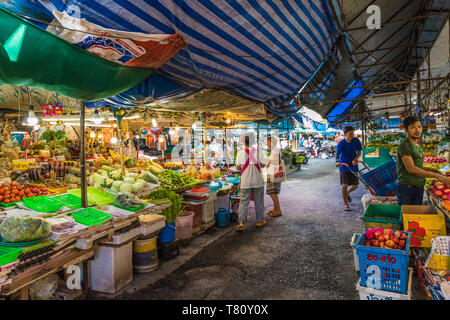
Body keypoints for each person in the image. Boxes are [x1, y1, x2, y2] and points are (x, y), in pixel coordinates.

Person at [397, 116, 450, 205]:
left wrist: (431, 170)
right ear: (406, 130)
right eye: (413, 127)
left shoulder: (416, 145)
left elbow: (417, 167)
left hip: (418, 187)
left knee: (416, 216)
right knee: (408, 216)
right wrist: (437, 176)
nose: (417, 130)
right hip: (408, 189)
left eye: (419, 127)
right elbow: (411, 169)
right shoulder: (405, 145)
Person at [235, 135, 267, 231]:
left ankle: (241, 223)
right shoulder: (259, 152)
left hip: (245, 181)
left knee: (244, 202)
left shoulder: (240, 153)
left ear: (244, 143)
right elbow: (263, 164)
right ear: (253, 143)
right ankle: (260, 221)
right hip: (257, 181)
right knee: (259, 201)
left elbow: (238, 167)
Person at [336, 126, 362, 211]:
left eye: (352, 133)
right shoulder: (341, 143)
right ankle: (345, 204)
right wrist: (337, 162)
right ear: (345, 134)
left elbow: (359, 152)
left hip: (353, 165)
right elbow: (337, 153)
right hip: (344, 166)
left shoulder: (356, 141)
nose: (352, 135)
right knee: (344, 185)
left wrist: (355, 159)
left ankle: (347, 193)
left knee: (355, 185)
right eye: (350, 133)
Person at [266, 135, 284, 217]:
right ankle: (275, 209)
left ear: (272, 142)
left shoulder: (275, 151)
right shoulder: (275, 150)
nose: (267, 144)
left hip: (273, 174)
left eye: (268, 142)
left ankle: (278, 210)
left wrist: (267, 162)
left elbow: (276, 162)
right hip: (273, 173)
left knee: (272, 193)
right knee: (272, 192)